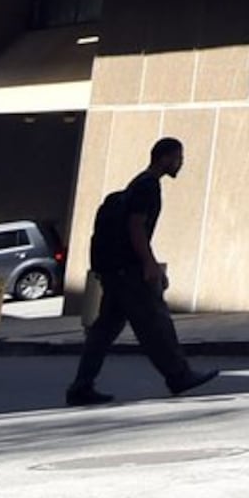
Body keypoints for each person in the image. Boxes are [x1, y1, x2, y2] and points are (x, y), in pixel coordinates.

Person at [67, 136, 213, 406]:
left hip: (116, 270)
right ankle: (178, 375)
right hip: (129, 272)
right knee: (155, 323)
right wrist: (149, 264)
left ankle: (81, 385)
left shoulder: (138, 184)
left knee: (104, 330)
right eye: (178, 157)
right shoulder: (148, 186)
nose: (181, 163)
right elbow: (137, 226)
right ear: (164, 158)